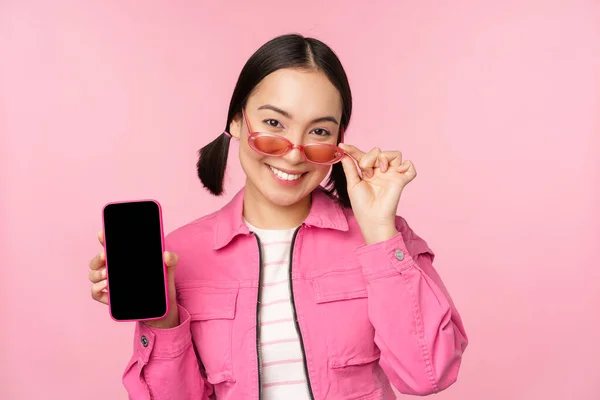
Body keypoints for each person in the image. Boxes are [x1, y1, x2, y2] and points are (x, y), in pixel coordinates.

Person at [88, 33, 468, 400]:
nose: (293, 154)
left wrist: (381, 234)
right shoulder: (179, 254)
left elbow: (428, 376)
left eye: (319, 131)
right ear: (237, 120)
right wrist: (161, 320)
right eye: (273, 124)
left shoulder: (382, 239)